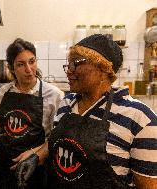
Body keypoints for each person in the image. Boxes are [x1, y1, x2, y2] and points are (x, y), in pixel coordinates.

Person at [15, 34, 157, 189]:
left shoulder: (140, 119)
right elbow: (58, 141)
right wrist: (37, 156)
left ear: (104, 69)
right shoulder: (67, 102)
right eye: (68, 65)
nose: (69, 71)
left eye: (76, 63)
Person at [0, 38, 64, 189]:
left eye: (32, 61)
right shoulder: (4, 91)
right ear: (11, 68)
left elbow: (57, 137)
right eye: (21, 64)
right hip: (5, 163)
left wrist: (34, 153)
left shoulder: (54, 94)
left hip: (35, 165)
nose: (29, 69)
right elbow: (5, 126)